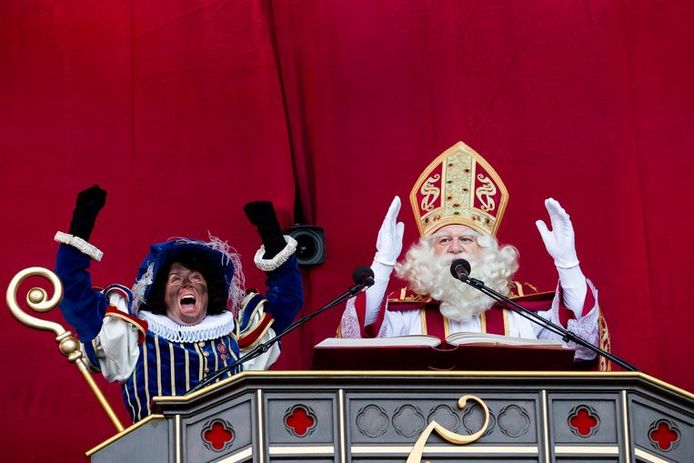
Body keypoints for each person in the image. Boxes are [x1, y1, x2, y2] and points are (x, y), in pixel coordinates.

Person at [338, 141, 609, 367]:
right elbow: (358, 339)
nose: (455, 247)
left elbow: (583, 346)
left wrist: (568, 263)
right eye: (444, 239)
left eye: (466, 239)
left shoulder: (521, 313)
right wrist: (383, 262)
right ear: (427, 253)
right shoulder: (406, 315)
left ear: (487, 251)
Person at [54, 185, 303, 421]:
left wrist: (272, 237)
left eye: (196, 278)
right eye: (176, 279)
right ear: (161, 294)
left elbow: (287, 300)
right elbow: (74, 296)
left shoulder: (236, 338)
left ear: (210, 292)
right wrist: (82, 224)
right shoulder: (133, 338)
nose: (187, 284)